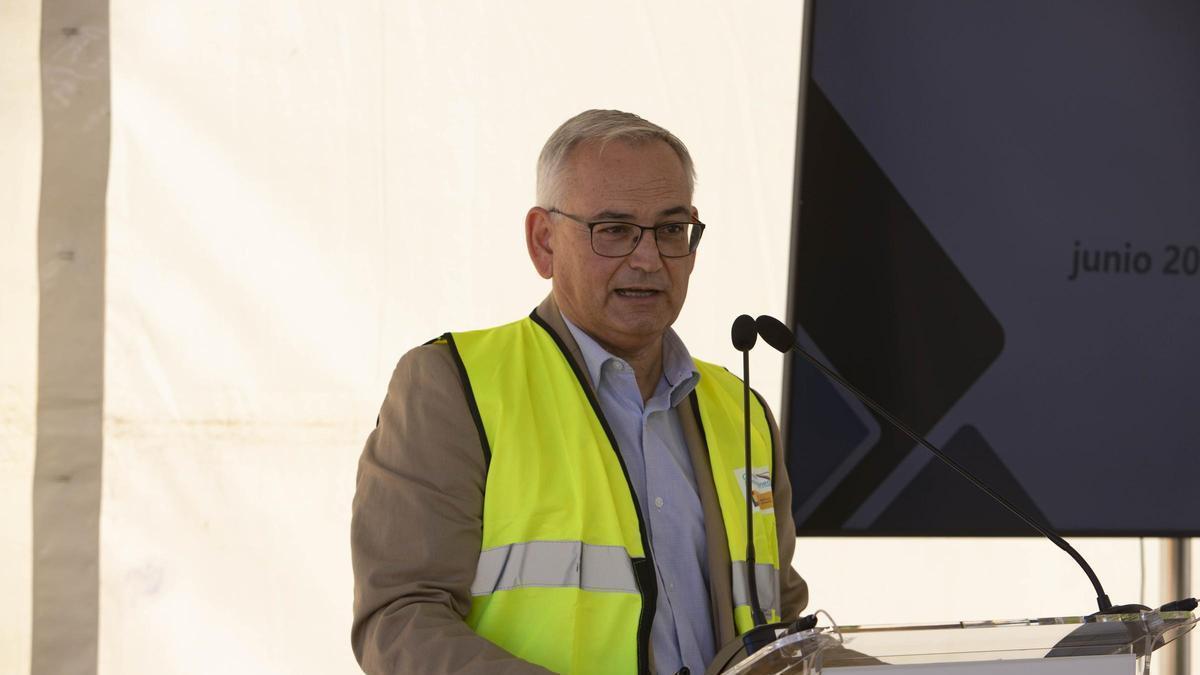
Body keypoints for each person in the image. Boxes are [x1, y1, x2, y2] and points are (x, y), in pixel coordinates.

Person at [351, 110, 808, 675]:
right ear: (543, 242)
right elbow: (399, 622)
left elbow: (782, 624)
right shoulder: (451, 386)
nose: (648, 259)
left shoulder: (742, 411)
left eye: (671, 230)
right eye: (613, 229)